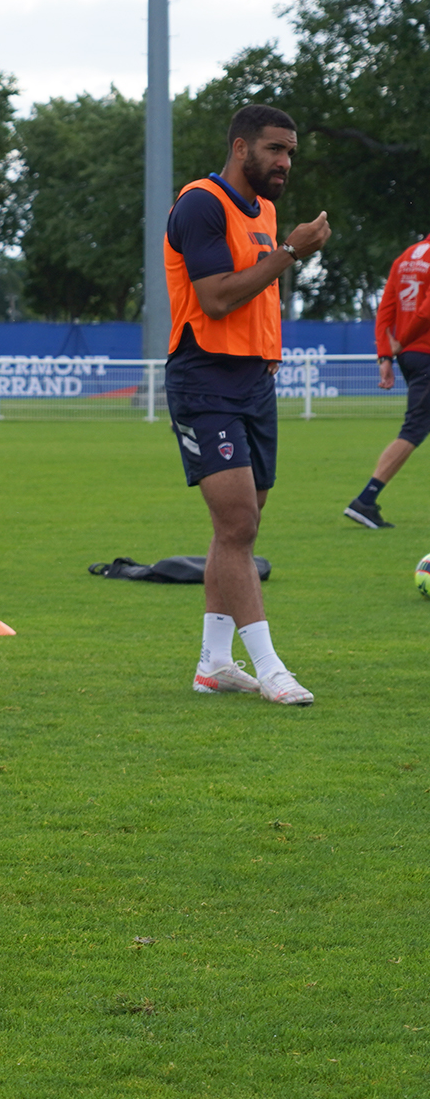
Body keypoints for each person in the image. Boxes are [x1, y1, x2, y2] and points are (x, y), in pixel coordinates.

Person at [163, 103, 332, 706]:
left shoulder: (265, 209)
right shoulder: (201, 204)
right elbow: (215, 300)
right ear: (241, 148)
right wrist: (290, 251)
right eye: (275, 150)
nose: (285, 161)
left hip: (253, 381)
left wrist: (283, 248)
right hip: (204, 377)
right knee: (239, 525)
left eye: (290, 151)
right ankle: (271, 667)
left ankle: (213, 663)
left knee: (236, 529)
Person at [342, 231, 430, 529]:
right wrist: (400, 341)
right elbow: (427, 309)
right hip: (426, 351)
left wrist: (386, 356)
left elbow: (386, 310)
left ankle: (366, 500)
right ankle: (365, 500)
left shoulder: (406, 258)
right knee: (414, 428)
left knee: (416, 426)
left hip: (410, 357)